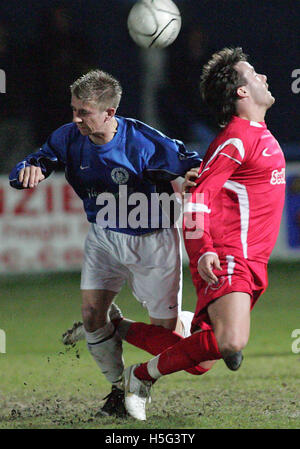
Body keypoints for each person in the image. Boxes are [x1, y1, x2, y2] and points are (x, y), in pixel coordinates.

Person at [9, 69, 202, 417]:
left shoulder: (145, 142)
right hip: (103, 238)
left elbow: (194, 165)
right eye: (74, 109)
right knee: (93, 314)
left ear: (110, 113)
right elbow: (35, 160)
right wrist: (27, 170)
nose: (76, 118)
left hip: (152, 243)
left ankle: (185, 324)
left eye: (84, 112)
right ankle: (118, 391)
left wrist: (193, 177)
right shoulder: (68, 137)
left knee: (165, 339)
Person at [120, 47, 286, 421]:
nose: (263, 78)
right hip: (227, 255)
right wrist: (206, 250)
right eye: (254, 74)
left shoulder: (257, 134)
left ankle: (113, 327)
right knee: (230, 342)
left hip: (251, 261)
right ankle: (139, 377)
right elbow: (196, 203)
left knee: (202, 358)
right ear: (241, 92)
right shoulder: (237, 138)